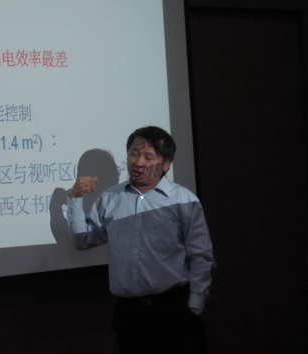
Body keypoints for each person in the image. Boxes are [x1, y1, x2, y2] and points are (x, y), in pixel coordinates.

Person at [67, 126, 214, 353]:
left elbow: (201, 257)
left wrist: (195, 305)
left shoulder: (184, 201)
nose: (138, 162)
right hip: (130, 315)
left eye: (148, 156)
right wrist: (74, 198)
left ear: (166, 164)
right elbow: (83, 240)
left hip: (174, 310)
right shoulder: (110, 198)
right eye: (134, 153)